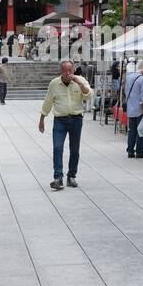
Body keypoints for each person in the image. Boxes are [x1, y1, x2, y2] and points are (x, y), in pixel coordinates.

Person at [39, 58, 91, 190]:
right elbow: (48, 101)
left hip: (76, 119)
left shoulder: (80, 81)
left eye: (70, 70)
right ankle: (58, 178)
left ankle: (71, 176)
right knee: (57, 148)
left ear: (73, 70)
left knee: (75, 149)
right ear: (60, 71)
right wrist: (42, 119)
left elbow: (88, 95)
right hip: (60, 121)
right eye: (65, 70)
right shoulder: (54, 84)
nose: (68, 73)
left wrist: (78, 82)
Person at [123, 60, 143, 158]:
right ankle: (139, 151)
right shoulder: (142, 79)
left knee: (132, 130)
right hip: (139, 109)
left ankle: (130, 151)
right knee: (141, 130)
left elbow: (126, 92)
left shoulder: (129, 77)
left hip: (131, 108)